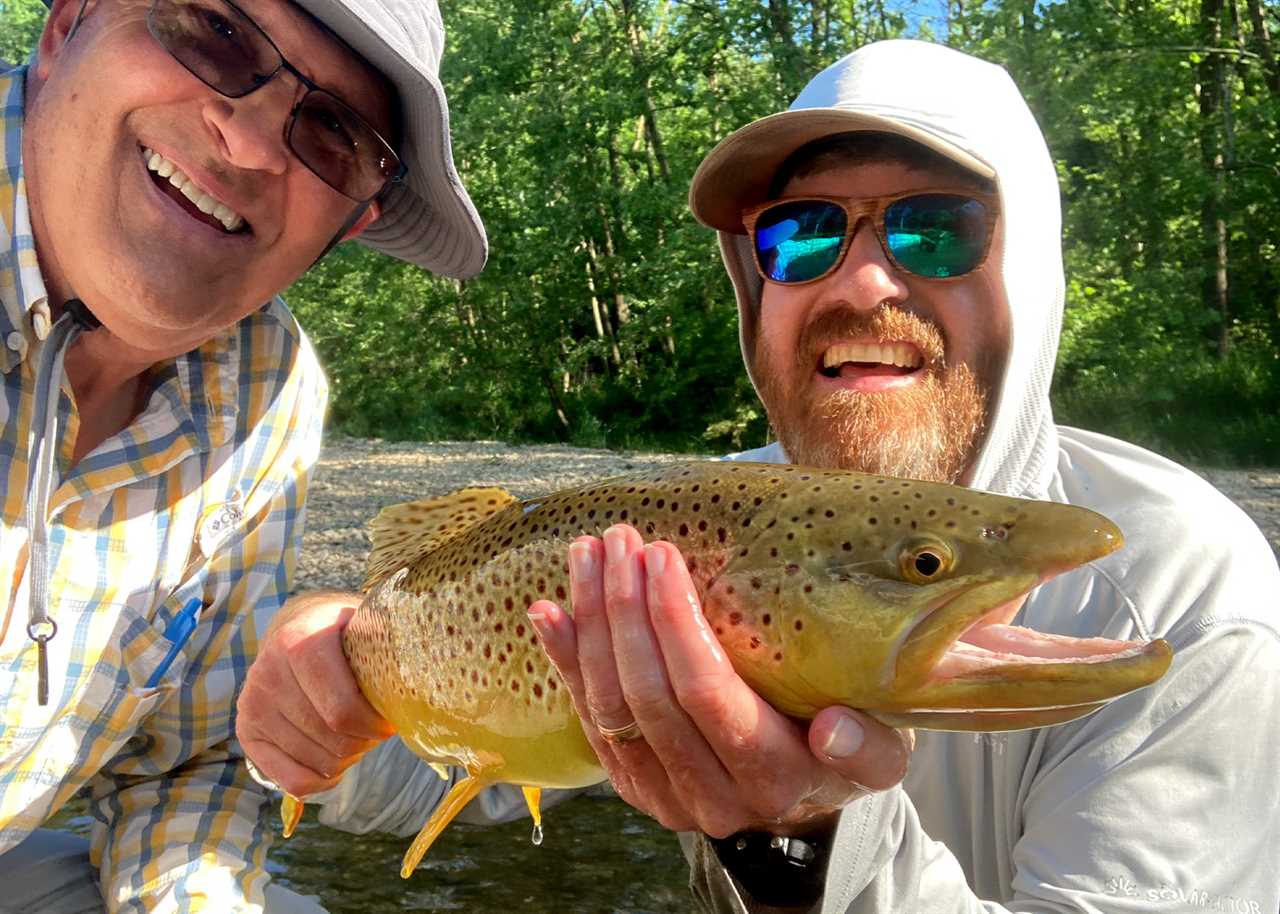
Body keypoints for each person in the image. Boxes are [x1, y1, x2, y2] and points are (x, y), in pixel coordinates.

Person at [238, 39, 1280, 914]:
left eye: (937, 226)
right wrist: (317, 672)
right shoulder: (680, 538)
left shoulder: (1191, 596)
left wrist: (811, 837)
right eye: (799, 234)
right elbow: (375, 779)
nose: (864, 277)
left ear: (1031, 272)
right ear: (754, 289)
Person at [0, 0, 486, 909]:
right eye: (214, 32)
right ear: (69, 22)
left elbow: (180, 769)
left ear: (349, 224)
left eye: (336, 134)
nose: (254, 143)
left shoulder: (266, 385)